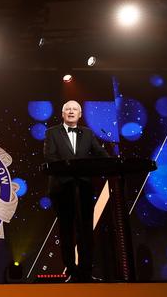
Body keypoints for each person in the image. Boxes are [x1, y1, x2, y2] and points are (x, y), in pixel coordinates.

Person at [43, 100, 109, 282]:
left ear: (80, 115)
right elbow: (50, 157)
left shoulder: (88, 133)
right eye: (68, 109)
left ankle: (86, 272)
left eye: (75, 109)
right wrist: (71, 173)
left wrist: (110, 161)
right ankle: (71, 272)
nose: (71, 112)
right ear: (62, 114)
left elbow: (100, 154)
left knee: (86, 231)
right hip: (62, 188)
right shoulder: (52, 133)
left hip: (84, 188)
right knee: (66, 231)